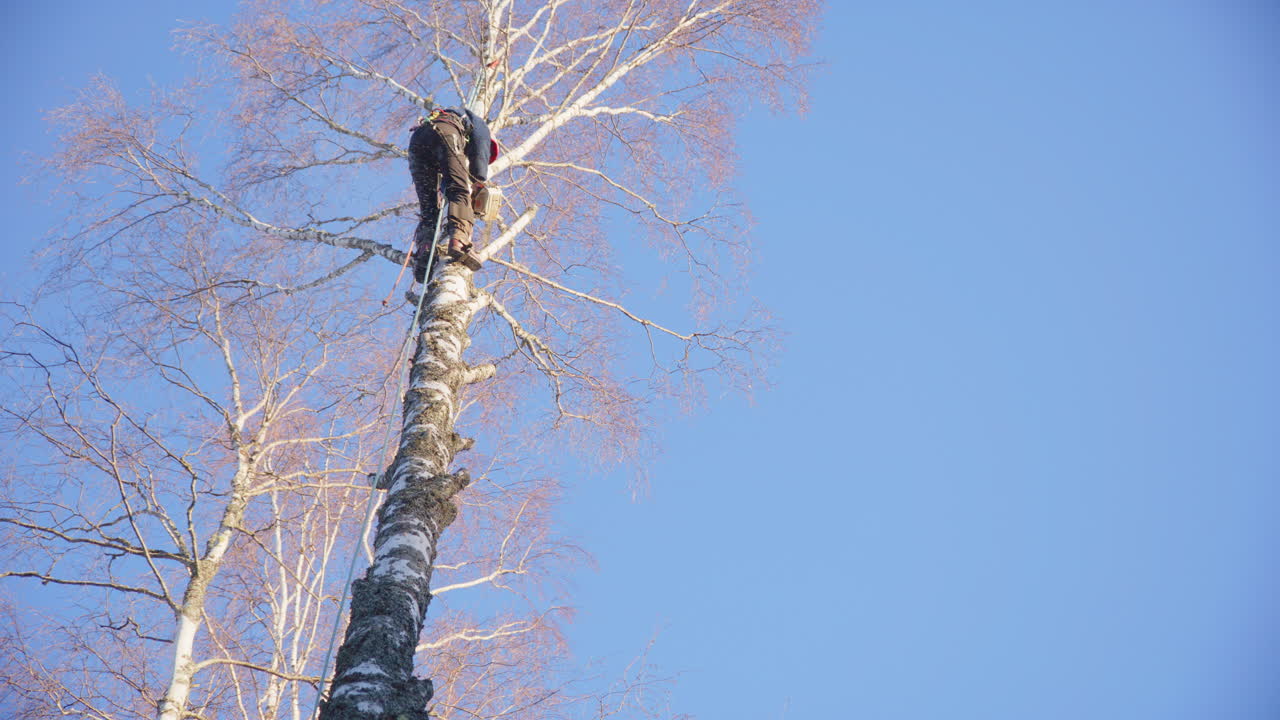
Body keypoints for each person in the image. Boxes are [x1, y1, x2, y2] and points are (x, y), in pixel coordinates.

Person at [407, 106, 496, 280]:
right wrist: (479, 179)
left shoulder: (449, 115)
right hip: (445, 131)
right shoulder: (480, 126)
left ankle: (425, 250)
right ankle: (459, 241)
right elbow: (479, 149)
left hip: (417, 143)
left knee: (429, 209)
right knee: (460, 191)